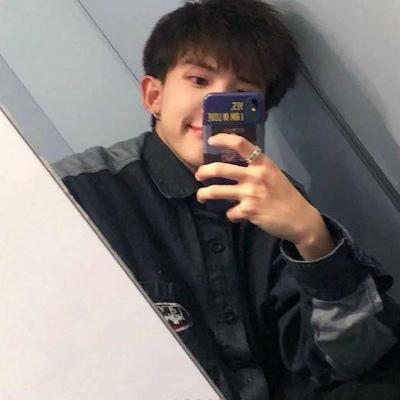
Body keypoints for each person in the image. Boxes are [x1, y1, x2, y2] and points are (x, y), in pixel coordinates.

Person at [52, 1, 400, 399]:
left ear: (259, 115)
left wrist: (312, 238)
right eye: (199, 80)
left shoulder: (276, 200)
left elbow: (352, 358)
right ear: (154, 95)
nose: (216, 103)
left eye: (242, 93)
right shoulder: (79, 190)